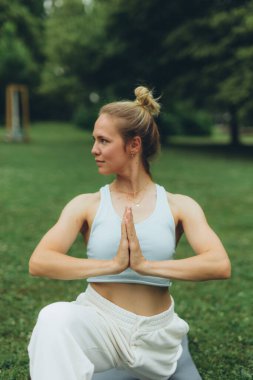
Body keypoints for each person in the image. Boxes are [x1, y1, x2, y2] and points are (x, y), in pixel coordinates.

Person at [28, 86, 231, 380]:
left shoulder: (179, 205)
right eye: (94, 140)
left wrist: (146, 266)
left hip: (157, 335)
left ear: (133, 145)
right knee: (53, 318)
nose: (94, 149)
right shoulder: (86, 204)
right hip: (101, 323)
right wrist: (112, 266)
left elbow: (219, 264)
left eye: (103, 140)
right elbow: (39, 261)